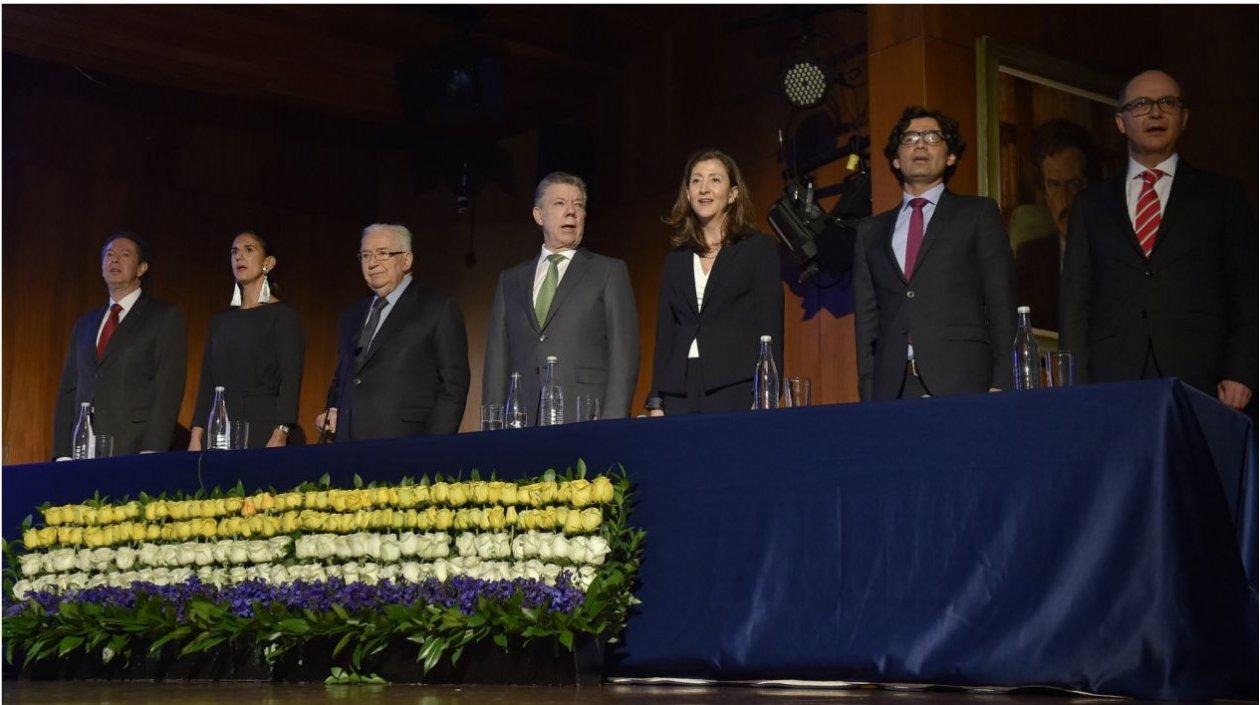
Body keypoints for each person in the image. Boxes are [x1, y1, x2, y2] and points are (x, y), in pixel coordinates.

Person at [1061, 70, 1256, 410]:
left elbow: (1248, 290)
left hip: (1203, 376)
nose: (1155, 112)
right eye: (1140, 104)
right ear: (1121, 122)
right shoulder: (1091, 204)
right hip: (1113, 376)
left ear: (1184, 118)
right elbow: (1076, 300)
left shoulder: (1222, 195)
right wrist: (1076, 383)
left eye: (1167, 103)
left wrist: (1242, 370)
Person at [852, 106, 1017, 401]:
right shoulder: (870, 232)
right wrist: (869, 392)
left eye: (932, 136)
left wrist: (1002, 382)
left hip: (964, 381)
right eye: (910, 138)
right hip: (893, 388)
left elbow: (1001, 303)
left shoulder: (978, 213)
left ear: (950, 155)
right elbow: (867, 323)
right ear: (895, 159)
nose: (920, 143)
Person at [483, 172, 638, 423]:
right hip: (521, 421)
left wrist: (613, 422)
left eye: (578, 205)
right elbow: (497, 360)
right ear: (538, 215)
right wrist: (493, 424)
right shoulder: (510, 281)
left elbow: (624, 352)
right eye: (560, 203)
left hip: (585, 417)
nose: (571, 212)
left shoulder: (608, 271)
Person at [646, 149, 783, 415]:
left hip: (736, 384)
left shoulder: (759, 249)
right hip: (679, 389)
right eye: (696, 180)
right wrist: (656, 399)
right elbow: (666, 335)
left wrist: (767, 393)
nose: (704, 188)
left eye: (715, 180)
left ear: (733, 194)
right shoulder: (676, 259)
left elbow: (771, 327)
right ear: (687, 194)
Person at [318, 223, 469, 441]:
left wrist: (434, 447)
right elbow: (344, 378)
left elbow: (453, 387)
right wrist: (333, 408)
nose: (372, 263)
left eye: (382, 253)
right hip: (347, 447)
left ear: (406, 260)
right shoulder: (351, 316)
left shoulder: (436, 308)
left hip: (405, 445)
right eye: (366, 255)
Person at [53, 232, 187, 457]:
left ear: (142, 268)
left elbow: (168, 389)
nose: (114, 260)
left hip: (133, 446)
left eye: (124, 255)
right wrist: (62, 452)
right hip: (82, 449)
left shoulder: (163, 317)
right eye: (109, 255)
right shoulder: (85, 323)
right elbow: (69, 389)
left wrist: (153, 449)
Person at [189, 231, 305, 450]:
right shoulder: (219, 321)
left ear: (268, 262)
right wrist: (196, 436)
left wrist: (281, 433)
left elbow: (290, 380)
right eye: (234, 252)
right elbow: (207, 382)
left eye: (248, 250)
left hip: (262, 428)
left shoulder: (283, 317)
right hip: (219, 427)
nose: (239, 256)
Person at [1014, 119, 1098, 330]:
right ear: (1043, 192)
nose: (1065, 200)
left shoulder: (1116, 252)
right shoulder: (1030, 258)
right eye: (1054, 185)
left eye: (1074, 184)